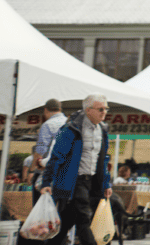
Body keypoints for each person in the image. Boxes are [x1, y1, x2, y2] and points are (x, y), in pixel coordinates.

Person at [39, 93, 113, 245]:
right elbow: (56, 156)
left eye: (106, 109)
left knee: (67, 221)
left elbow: (103, 159)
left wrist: (106, 183)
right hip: (75, 182)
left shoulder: (102, 129)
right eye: (100, 109)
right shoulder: (71, 128)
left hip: (92, 183)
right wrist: (46, 181)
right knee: (84, 220)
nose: (104, 112)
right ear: (88, 110)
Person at [29, 99, 66, 196]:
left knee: (41, 206)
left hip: (46, 172)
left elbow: (41, 150)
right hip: (65, 173)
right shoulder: (69, 123)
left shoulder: (48, 125)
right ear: (60, 109)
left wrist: (32, 170)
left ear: (45, 110)